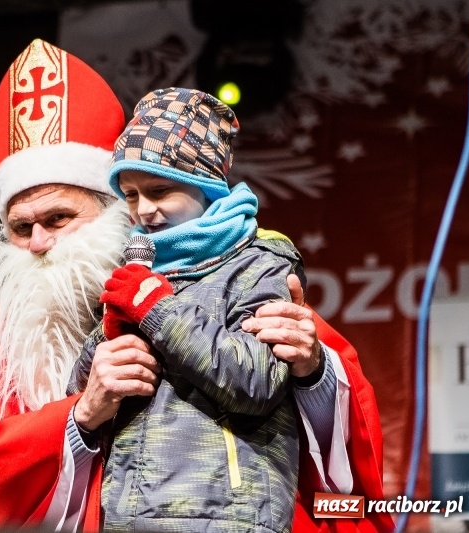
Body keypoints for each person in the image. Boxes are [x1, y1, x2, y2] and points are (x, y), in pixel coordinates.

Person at [0, 38, 393, 533]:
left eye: (58, 218)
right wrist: (84, 414)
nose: (38, 243)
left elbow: (337, 423)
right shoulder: (4, 336)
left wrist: (311, 370)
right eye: (20, 227)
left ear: (112, 213)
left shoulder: (223, 271)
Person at [67, 87, 304, 532]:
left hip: (224, 516)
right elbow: (80, 392)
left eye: (159, 191)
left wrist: (156, 308)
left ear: (206, 186)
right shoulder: (138, 273)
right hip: (129, 515)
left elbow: (257, 381)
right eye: (131, 195)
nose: (144, 210)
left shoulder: (257, 262)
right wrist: (102, 348)